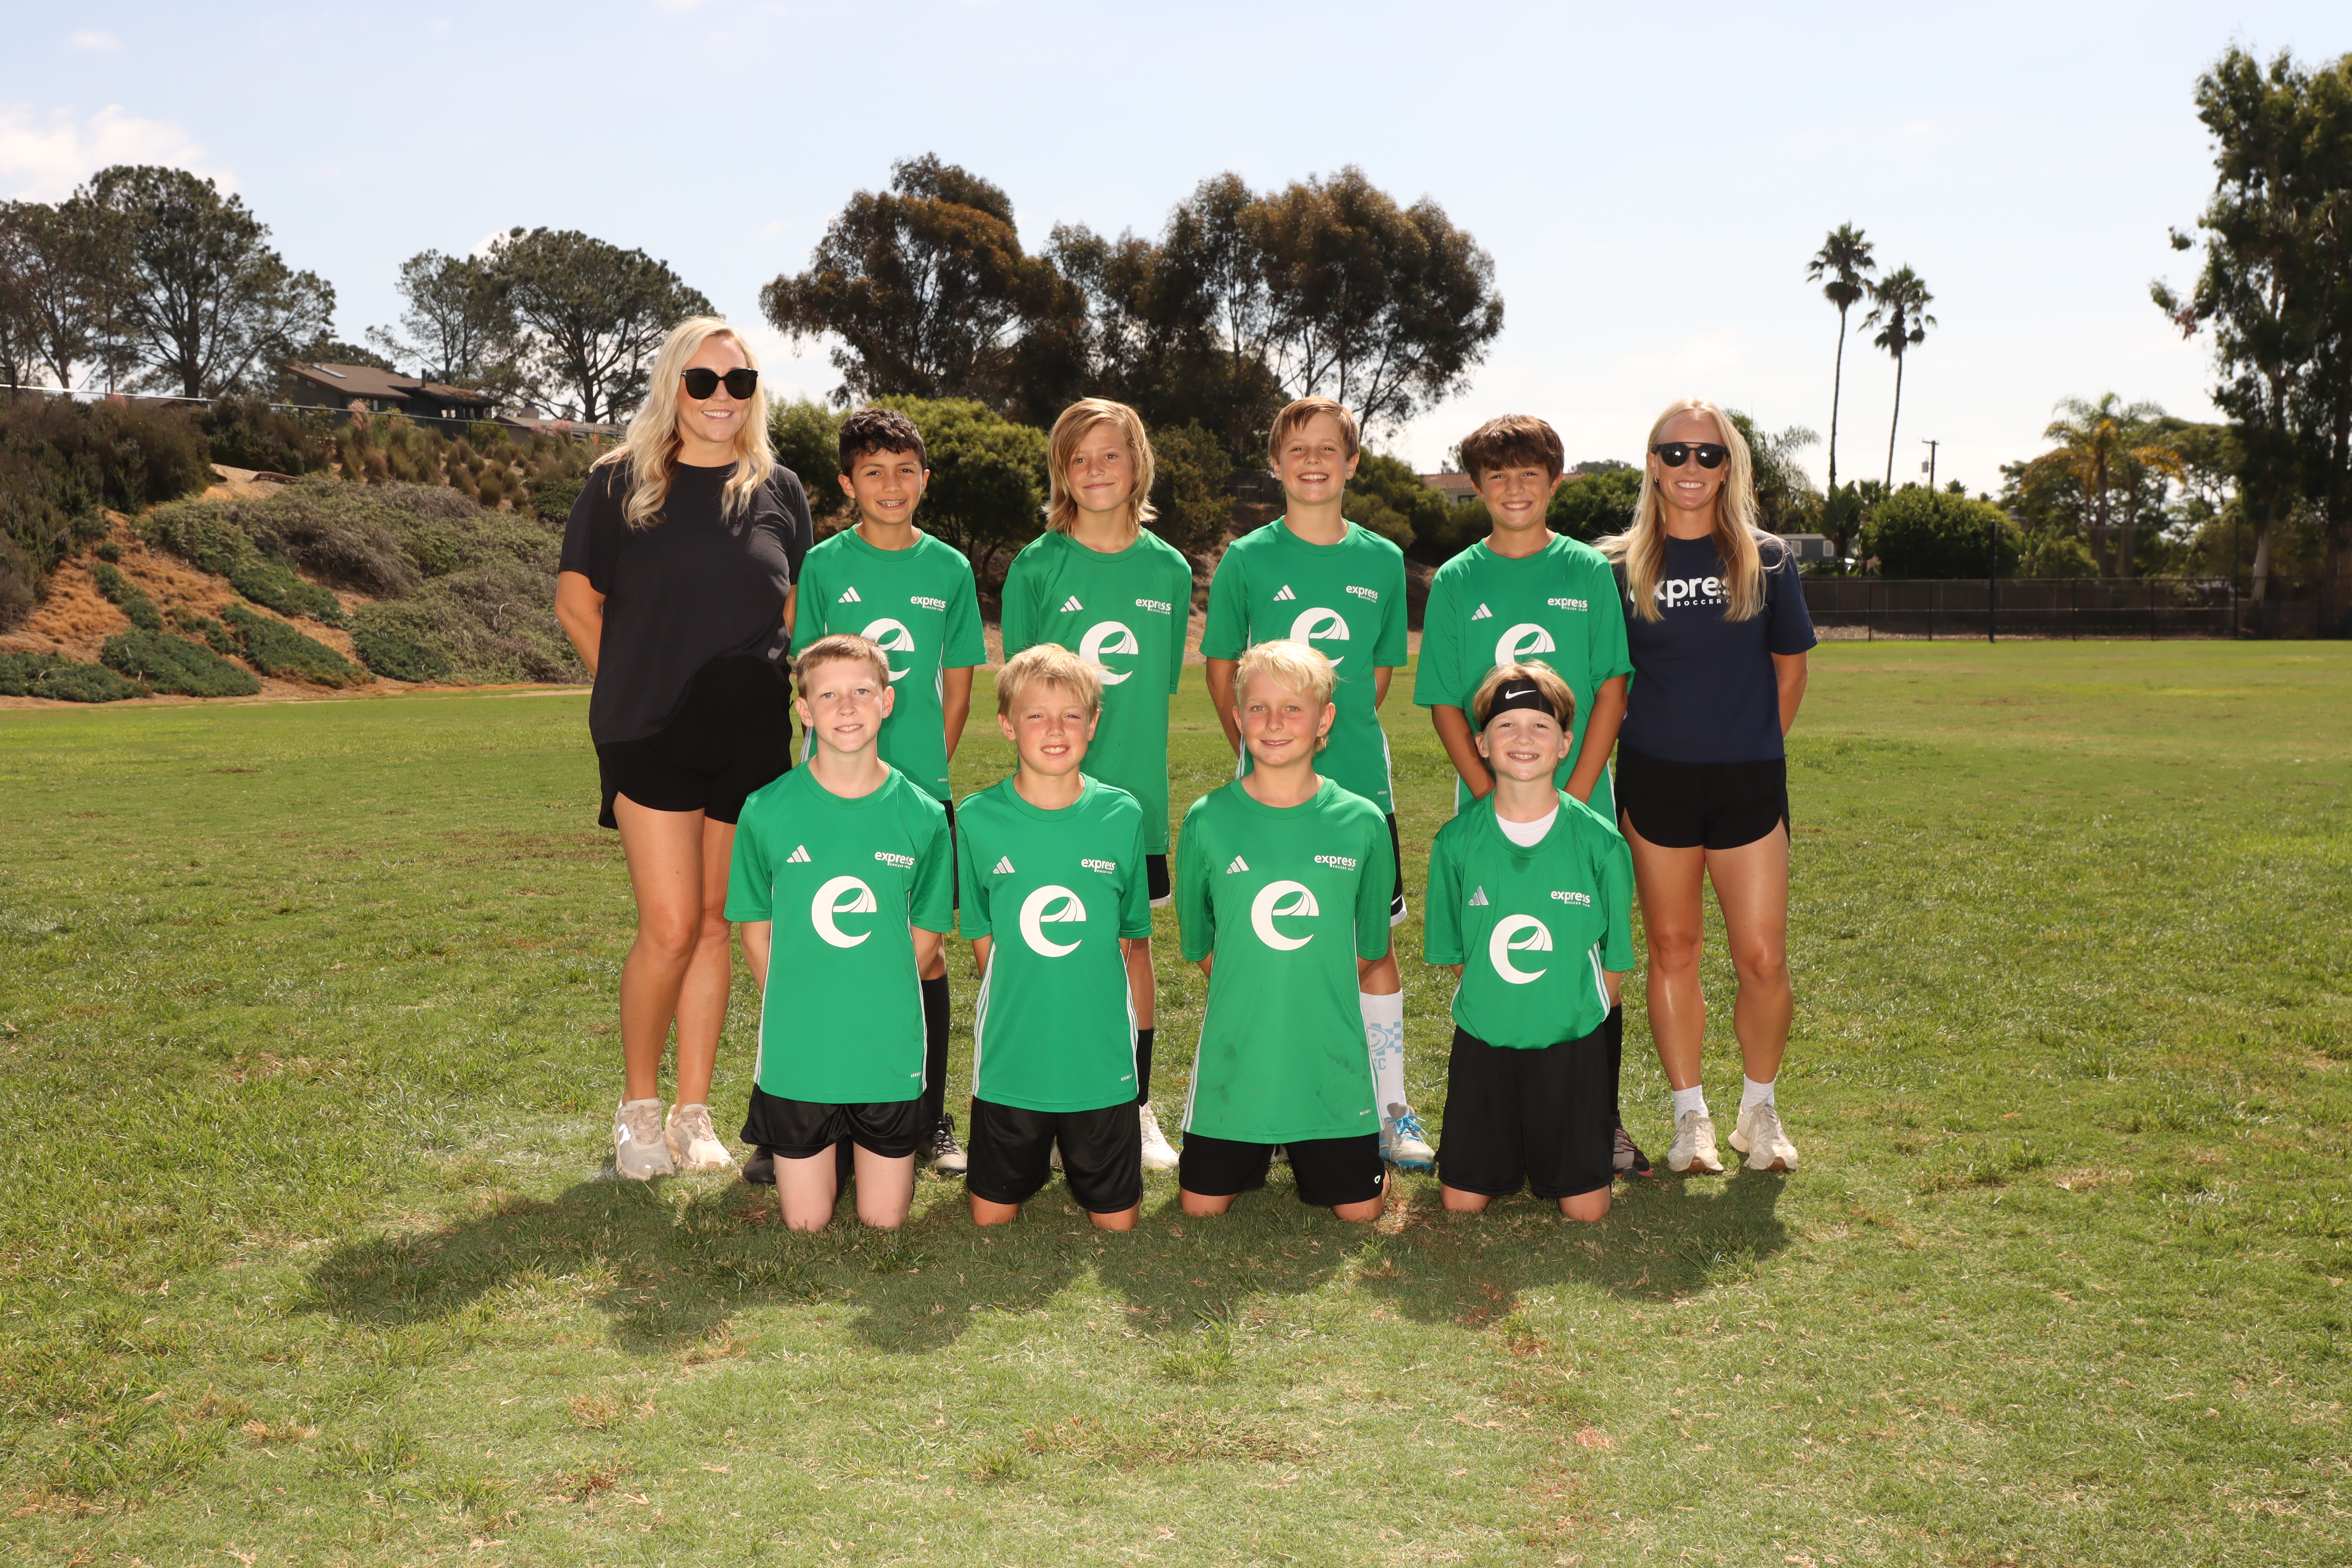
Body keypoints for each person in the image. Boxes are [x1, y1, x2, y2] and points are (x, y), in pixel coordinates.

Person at [554, 316, 813, 1181]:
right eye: (702, 381)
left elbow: (793, 613)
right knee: (667, 928)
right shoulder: (618, 483)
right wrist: (632, 688)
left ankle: (693, 1115)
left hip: (750, 735)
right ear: (674, 386)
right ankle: (637, 1113)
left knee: (713, 924)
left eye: (738, 382)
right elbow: (576, 606)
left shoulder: (780, 488)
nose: (720, 397)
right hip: (650, 731)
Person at [1414, 413, 1649, 1177]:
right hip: (1490, 811)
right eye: (1498, 476)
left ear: (1554, 483)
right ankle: (1496, 1124)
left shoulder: (1586, 571)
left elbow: (1611, 688)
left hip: (1580, 800)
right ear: (1477, 486)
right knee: (1496, 953)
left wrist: (1568, 799)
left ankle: (1599, 1122)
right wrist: (1495, 793)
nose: (1514, 488)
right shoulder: (1457, 580)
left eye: (1529, 475)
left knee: (1587, 955)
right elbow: (1445, 702)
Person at [1201, 397, 1429, 1172]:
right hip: (1264, 797)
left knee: (1372, 948)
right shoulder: (1247, 559)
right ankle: (1263, 1105)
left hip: (1360, 788)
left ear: (1353, 462)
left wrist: (1329, 740)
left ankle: (1390, 1108)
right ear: (1275, 463)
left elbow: (1378, 677)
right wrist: (1266, 755)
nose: (1312, 461)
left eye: (1329, 448)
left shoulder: (1382, 559)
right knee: (1265, 939)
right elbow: (1223, 674)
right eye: (1296, 449)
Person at [1598, 397, 1815, 1175]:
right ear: (1653, 463)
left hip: (1748, 781)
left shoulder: (1768, 559)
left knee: (1763, 958)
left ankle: (1760, 1111)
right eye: (1676, 452)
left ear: (1730, 467)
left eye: (1709, 454)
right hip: (1655, 781)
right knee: (1673, 947)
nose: (1691, 467)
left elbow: (1790, 672)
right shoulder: (1616, 566)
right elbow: (1609, 683)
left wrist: (1746, 744)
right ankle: (1690, 1117)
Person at [784, 408, 986, 1179]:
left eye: (905, 470)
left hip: (917, 797)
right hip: (831, 795)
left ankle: (929, 1119)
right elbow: (808, 677)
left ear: (925, 480)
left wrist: (923, 777)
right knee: (827, 943)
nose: (891, 484)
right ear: (847, 484)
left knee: (923, 957)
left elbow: (957, 690)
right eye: (873, 471)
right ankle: (808, 1115)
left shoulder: (950, 569)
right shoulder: (823, 565)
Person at [999, 400, 1192, 1173]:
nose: (1096, 470)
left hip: (1135, 808)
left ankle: (1133, 1106)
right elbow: (1021, 693)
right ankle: (1048, 1104)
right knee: (1052, 949)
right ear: (1061, 473)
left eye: (1110, 455)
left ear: (1138, 463)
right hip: (1048, 805)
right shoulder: (1036, 566)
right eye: (1078, 459)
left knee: (1131, 949)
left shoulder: (1169, 569)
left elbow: (1157, 688)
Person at [725, 634, 952, 1229]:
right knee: (806, 1222)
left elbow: (927, 935)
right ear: (804, 710)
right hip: (801, 1049)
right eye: (828, 695)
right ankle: (827, 1140)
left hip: (886, 1046)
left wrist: (876, 995)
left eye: (862, 692)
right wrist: (796, 1001)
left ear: (888, 701)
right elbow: (754, 933)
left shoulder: (924, 815)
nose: (846, 707)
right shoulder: (766, 809)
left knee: (884, 1220)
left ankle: (858, 1141)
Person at [1175, 640, 1394, 1224]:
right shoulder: (1207, 819)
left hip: (1329, 1060)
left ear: (1325, 719)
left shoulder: (1362, 822)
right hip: (1237, 1057)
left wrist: (1309, 992)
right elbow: (1199, 942)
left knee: (1360, 1212)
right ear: (1238, 716)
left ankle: (1332, 1130)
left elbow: (1372, 945)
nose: (1274, 722)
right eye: (1258, 707)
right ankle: (1252, 1130)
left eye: (1293, 707)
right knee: (1200, 1208)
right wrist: (1257, 987)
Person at [1424, 663, 1633, 1221]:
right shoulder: (1455, 843)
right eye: (1506, 725)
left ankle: (1560, 1138)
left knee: (1587, 1210)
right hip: (1486, 1040)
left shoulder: (1600, 842)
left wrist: (1569, 1016)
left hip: (1570, 1043)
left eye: (1540, 726)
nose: (1523, 738)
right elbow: (1457, 954)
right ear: (1481, 744)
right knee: (1461, 1202)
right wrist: (1501, 1006)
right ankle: (1503, 1144)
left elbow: (1614, 960)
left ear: (1565, 743)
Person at [956, 644, 1152, 1231]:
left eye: (1071, 715)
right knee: (990, 1218)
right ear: (1007, 723)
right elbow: (983, 936)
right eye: (1036, 715)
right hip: (1013, 1059)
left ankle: (1086, 1129)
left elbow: (1127, 938)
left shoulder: (1122, 814)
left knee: (1117, 1223)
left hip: (1100, 1060)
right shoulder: (977, 817)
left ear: (1093, 723)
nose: (1056, 729)